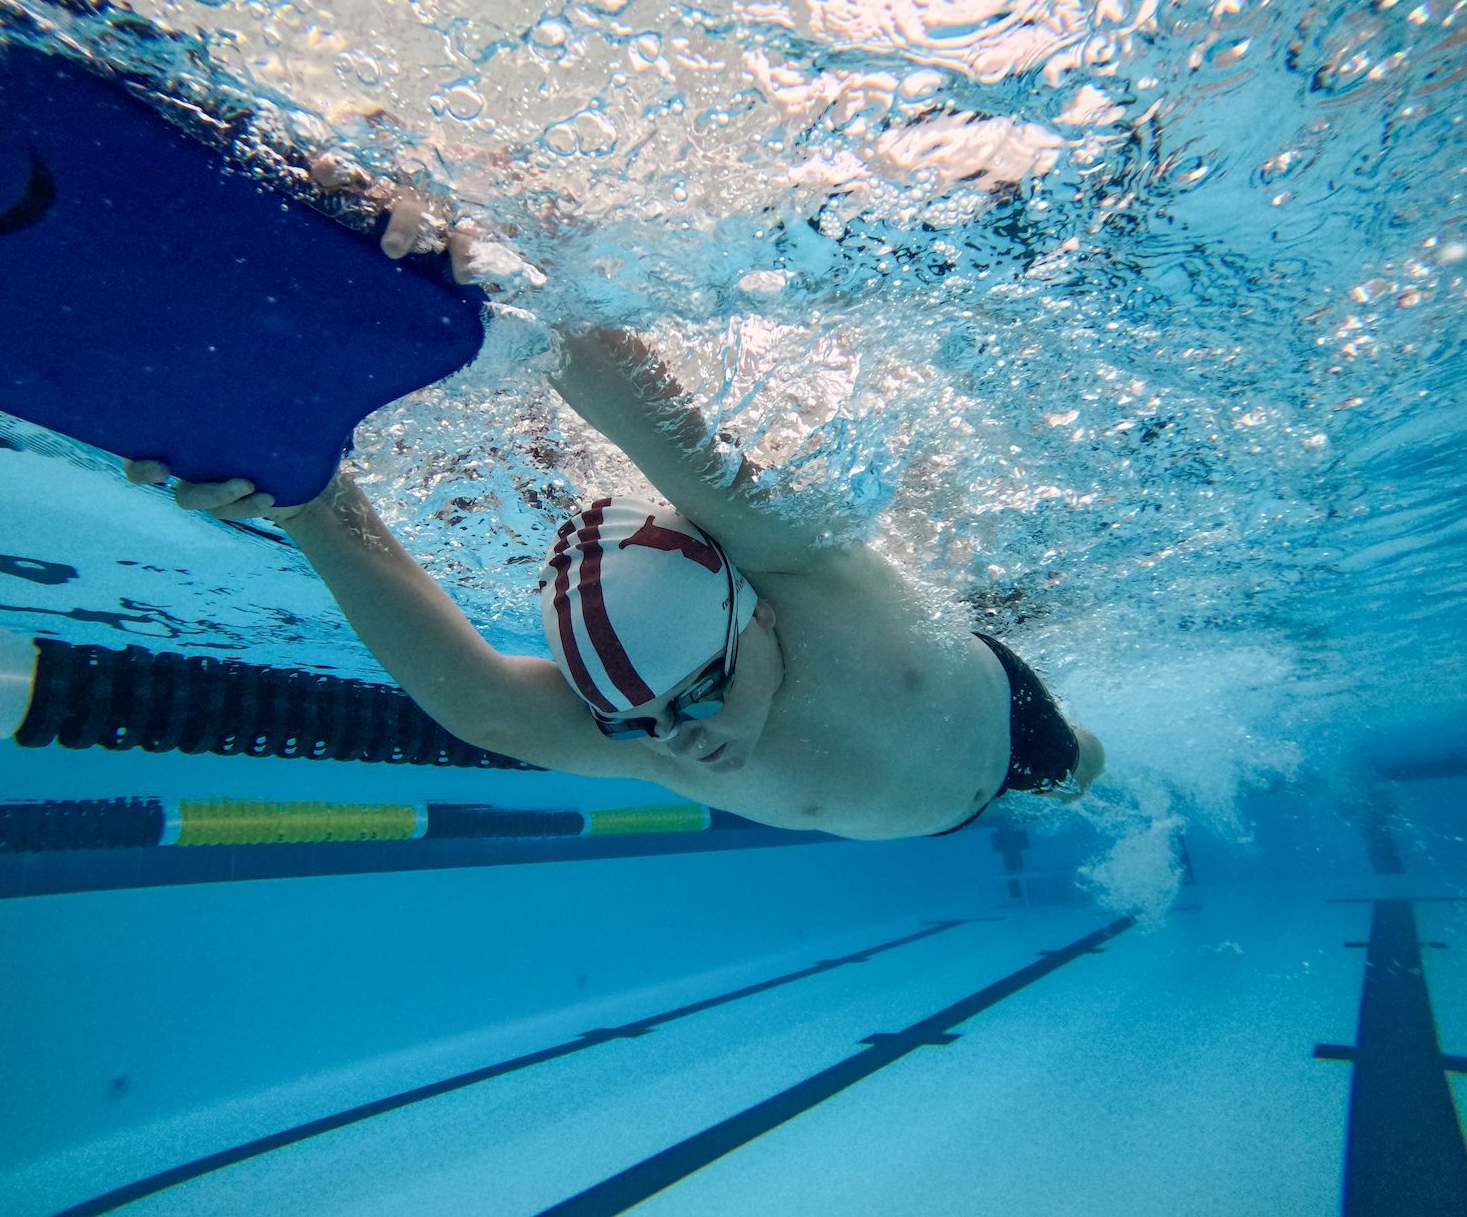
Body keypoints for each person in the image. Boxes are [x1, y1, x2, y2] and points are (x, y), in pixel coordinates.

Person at [128, 205, 1103, 841]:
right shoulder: (657, 719)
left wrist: (501, 284)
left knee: (1083, 773)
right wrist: (309, 503)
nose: (677, 742)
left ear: (751, 613)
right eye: (632, 725)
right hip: (937, 811)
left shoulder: (803, 567)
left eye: (695, 691)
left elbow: (657, 428)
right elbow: (484, 705)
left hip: (1006, 723)